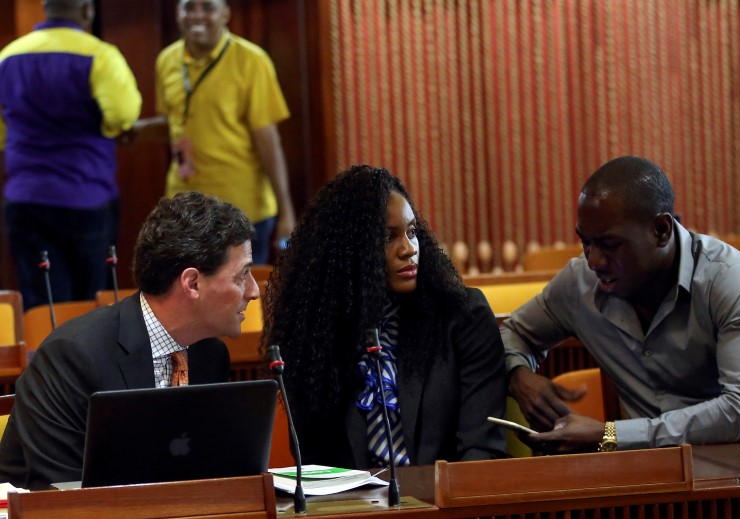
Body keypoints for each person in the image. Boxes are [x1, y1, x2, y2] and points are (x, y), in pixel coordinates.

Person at [503, 156, 740, 454]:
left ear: (661, 230)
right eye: (586, 242)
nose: (593, 261)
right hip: (660, 474)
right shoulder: (579, 283)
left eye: (610, 244)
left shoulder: (730, 278)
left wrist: (612, 434)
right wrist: (519, 377)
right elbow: (511, 334)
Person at [0, 191, 260, 490]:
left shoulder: (210, 354)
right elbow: (62, 493)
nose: (253, 291)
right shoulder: (72, 356)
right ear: (192, 283)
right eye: (242, 275)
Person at [263, 164, 506, 468]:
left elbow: (481, 451)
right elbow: (315, 464)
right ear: (349, 251)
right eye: (388, 237)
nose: (408, 249)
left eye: (412, 232)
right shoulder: (314, 333)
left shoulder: (464, 316)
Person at [129, 0, 295, 264]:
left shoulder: (251, 60)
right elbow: (175, 123)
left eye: (207, 7)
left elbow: (268, 140)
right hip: (184, 209)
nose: (197, 15)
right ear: (177, 13)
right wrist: (134, 131)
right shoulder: (167, 60)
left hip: (242, 208)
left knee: (240, 299)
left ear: (225, 14)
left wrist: (286, 211)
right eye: (188, 7)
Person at [0, 0, 142, 310]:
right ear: (87, 11)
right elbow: (122, 115)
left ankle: (46, 357)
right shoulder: (100, 55)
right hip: (85, 196)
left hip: (26, 199)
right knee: (89, 303)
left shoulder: (8, 57)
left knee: (42, 302)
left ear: (45, 8)